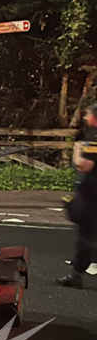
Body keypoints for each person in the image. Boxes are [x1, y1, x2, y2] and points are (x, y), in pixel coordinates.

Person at [58, 102, 97, 287]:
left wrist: (77, 151)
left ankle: (76, 275)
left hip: (91, 195)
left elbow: (84, 165)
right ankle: (76, 272)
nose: (85, 118)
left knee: (87, 235)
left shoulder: (94, 138)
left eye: (88, 114)